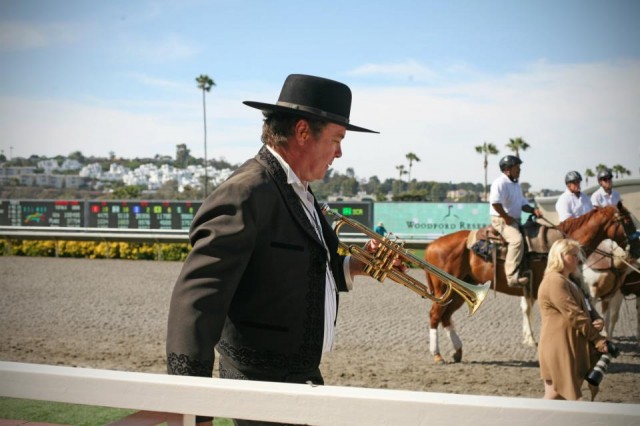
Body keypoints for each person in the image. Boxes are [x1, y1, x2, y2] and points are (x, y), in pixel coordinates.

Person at [166, 74, 378, 425]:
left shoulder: (302, 191)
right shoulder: (246, 192)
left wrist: (355, 266)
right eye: (337, 139)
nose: (339, 152)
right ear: (303, 131)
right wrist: (190, 403)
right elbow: (197, 300)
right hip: (260, 389)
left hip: (300, 380)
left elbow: (297, 266)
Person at [537, 238, 610, 400]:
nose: (578, 259)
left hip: (568, 345)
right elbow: (574, 314)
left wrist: (597, 320)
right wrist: (597, 339)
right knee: (557, 395)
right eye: (574, 255)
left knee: (556, 396)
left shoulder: (570, 281)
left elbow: (586, 307)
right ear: (561, 256)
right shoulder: (554, 281)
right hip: (558, 346)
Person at [489, 155, 542, 287]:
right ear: (507, 169)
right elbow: (495, 203)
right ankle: (511, 277)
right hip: (501, 220)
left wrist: (533, 210)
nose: (519, 169)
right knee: (517, 240)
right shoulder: (500, 183)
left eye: (519, 167)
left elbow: (523, 204)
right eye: (516, 167)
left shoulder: (515, 184)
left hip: (513, 220)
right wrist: (506, 218)